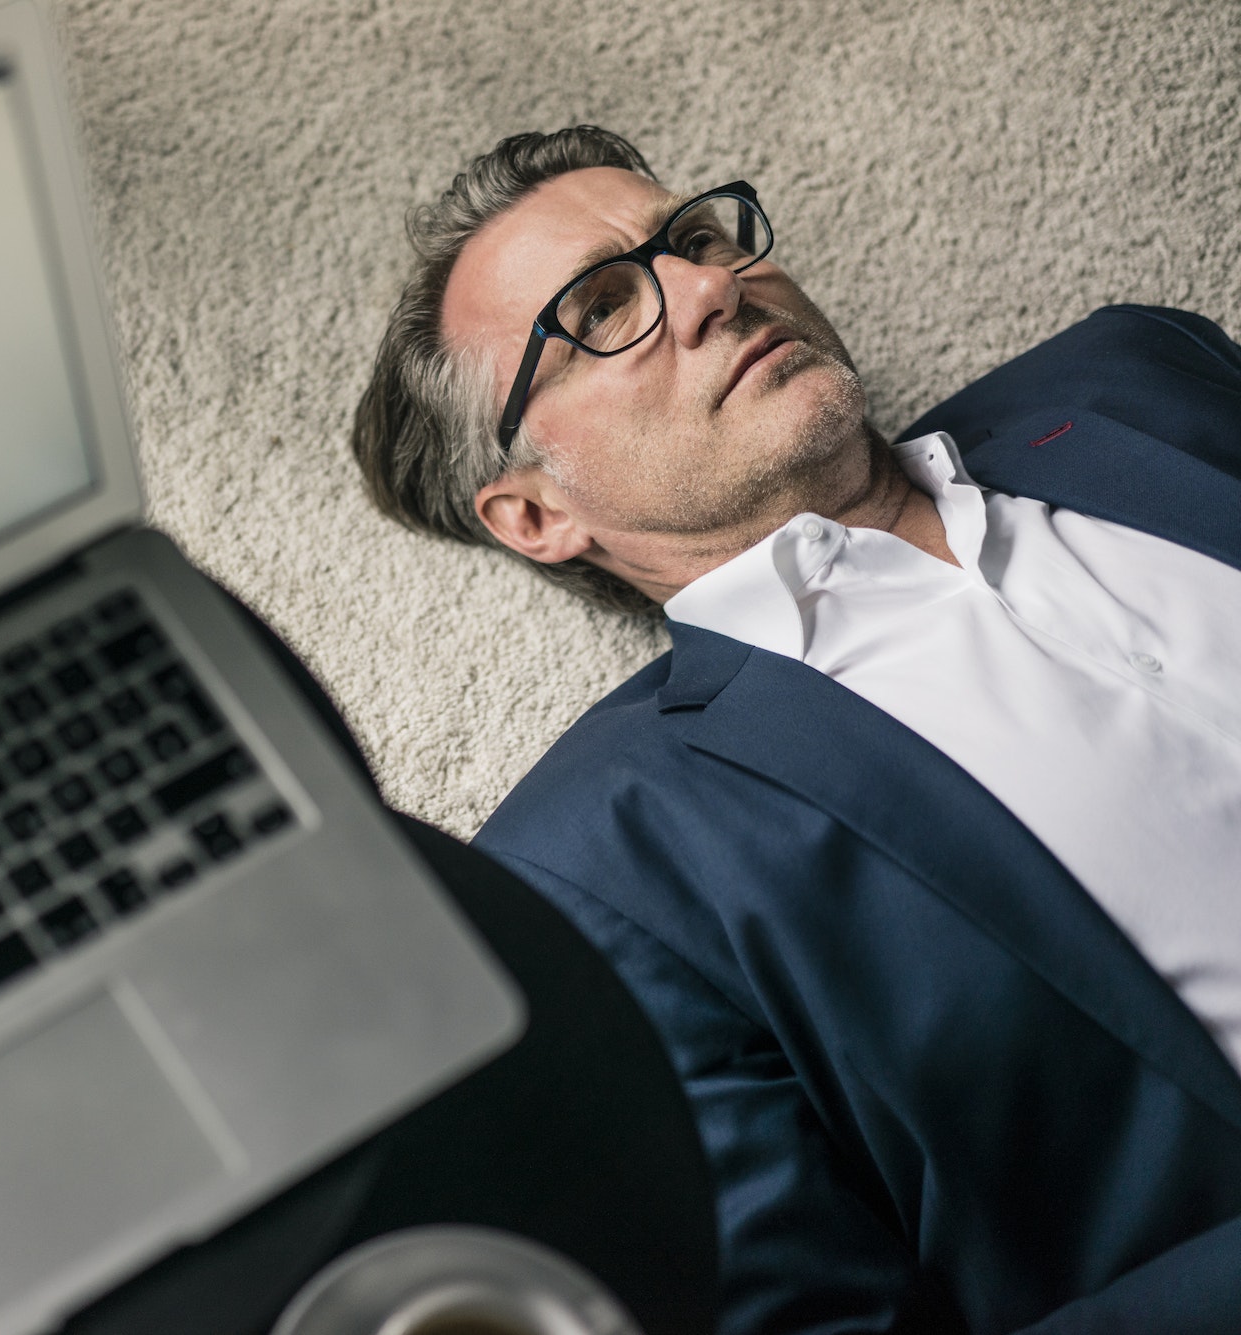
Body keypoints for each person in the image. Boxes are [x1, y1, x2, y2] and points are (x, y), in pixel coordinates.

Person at [350, 125, 1241, 1334]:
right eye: (603, 308)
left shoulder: (1132, 373)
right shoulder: (594, 872)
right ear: (531, 512)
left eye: (697, 238)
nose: (712, 287)